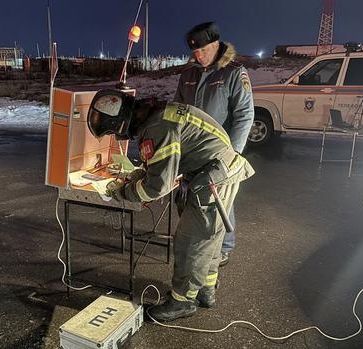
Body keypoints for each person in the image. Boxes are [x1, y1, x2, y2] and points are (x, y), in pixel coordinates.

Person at [87, 89, 254, 322]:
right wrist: (139, 175)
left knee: (191, 241)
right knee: (209, 238)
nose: (119, 137)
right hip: (218, 170)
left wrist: (124, 192)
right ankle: (205, 290)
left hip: (213, 178)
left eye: (115, 131)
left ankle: (182, 302)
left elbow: (156, 188)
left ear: (122, 123)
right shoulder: (158, 114)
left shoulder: (156, 128)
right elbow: (165, 162)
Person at [174, 22, 254, 267]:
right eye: (195, 52)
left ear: (216, 45)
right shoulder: (188, 74)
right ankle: (197, 240)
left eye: (204, 50)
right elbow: (177, 110)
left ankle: (225, 247)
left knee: (220, 199)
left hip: (221, 151)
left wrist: (234, 154)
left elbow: (244, 115)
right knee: (193, 195)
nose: (199, 56)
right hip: (192, 150)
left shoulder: (232, 73)